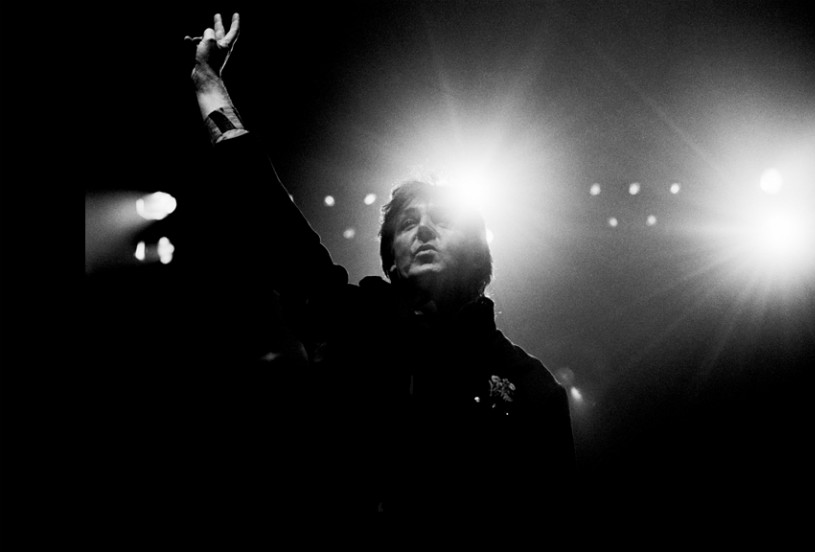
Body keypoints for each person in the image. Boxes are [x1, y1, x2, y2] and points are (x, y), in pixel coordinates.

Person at [184, 13, 574, 518]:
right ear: (390, 256)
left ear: (479, 251)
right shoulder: (353, 322)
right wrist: (210, 88)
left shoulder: (531, 388)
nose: (425, 229)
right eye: (409, 222)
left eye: (444, 220)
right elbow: (272, 221)